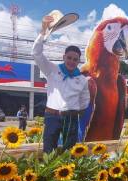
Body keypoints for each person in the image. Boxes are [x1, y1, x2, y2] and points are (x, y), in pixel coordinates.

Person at [32, 15, 90, 153]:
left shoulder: (82, 79)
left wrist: (76, 111)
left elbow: (84, 100)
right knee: (48, 151)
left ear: (78, 61)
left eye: (75, 59)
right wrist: (43, 32)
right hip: (52, 116)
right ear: (64, 57)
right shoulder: (52, 69)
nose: (71, 61)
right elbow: (36, 54)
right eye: (69, 58)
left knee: (70, 151)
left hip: (71, 117)